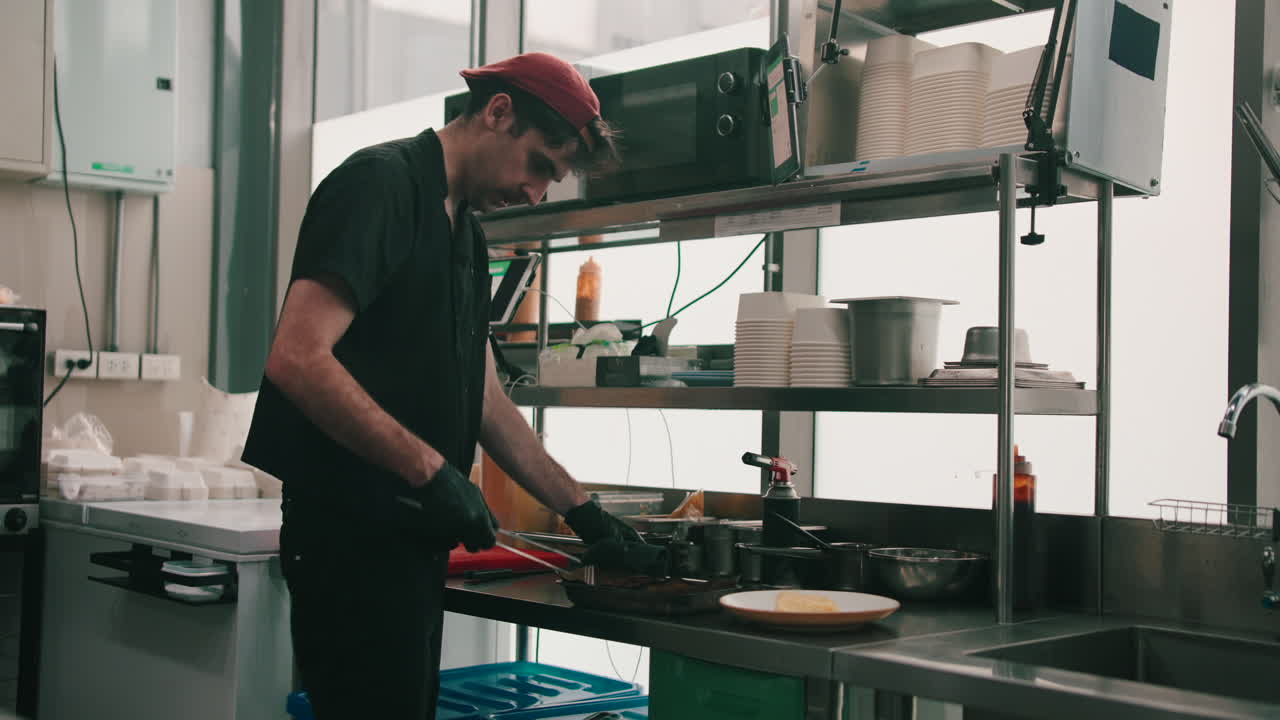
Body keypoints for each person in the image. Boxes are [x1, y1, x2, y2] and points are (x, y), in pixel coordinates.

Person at [242, 53, 657, 720]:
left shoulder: (466, 232)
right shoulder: (380, 186)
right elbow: (297, 357)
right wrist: (432, 473)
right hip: (349, 539)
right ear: (499, 113)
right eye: (540, 166)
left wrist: (584, 511)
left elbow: (486, 397)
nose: (536, 192)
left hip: (408, 541)